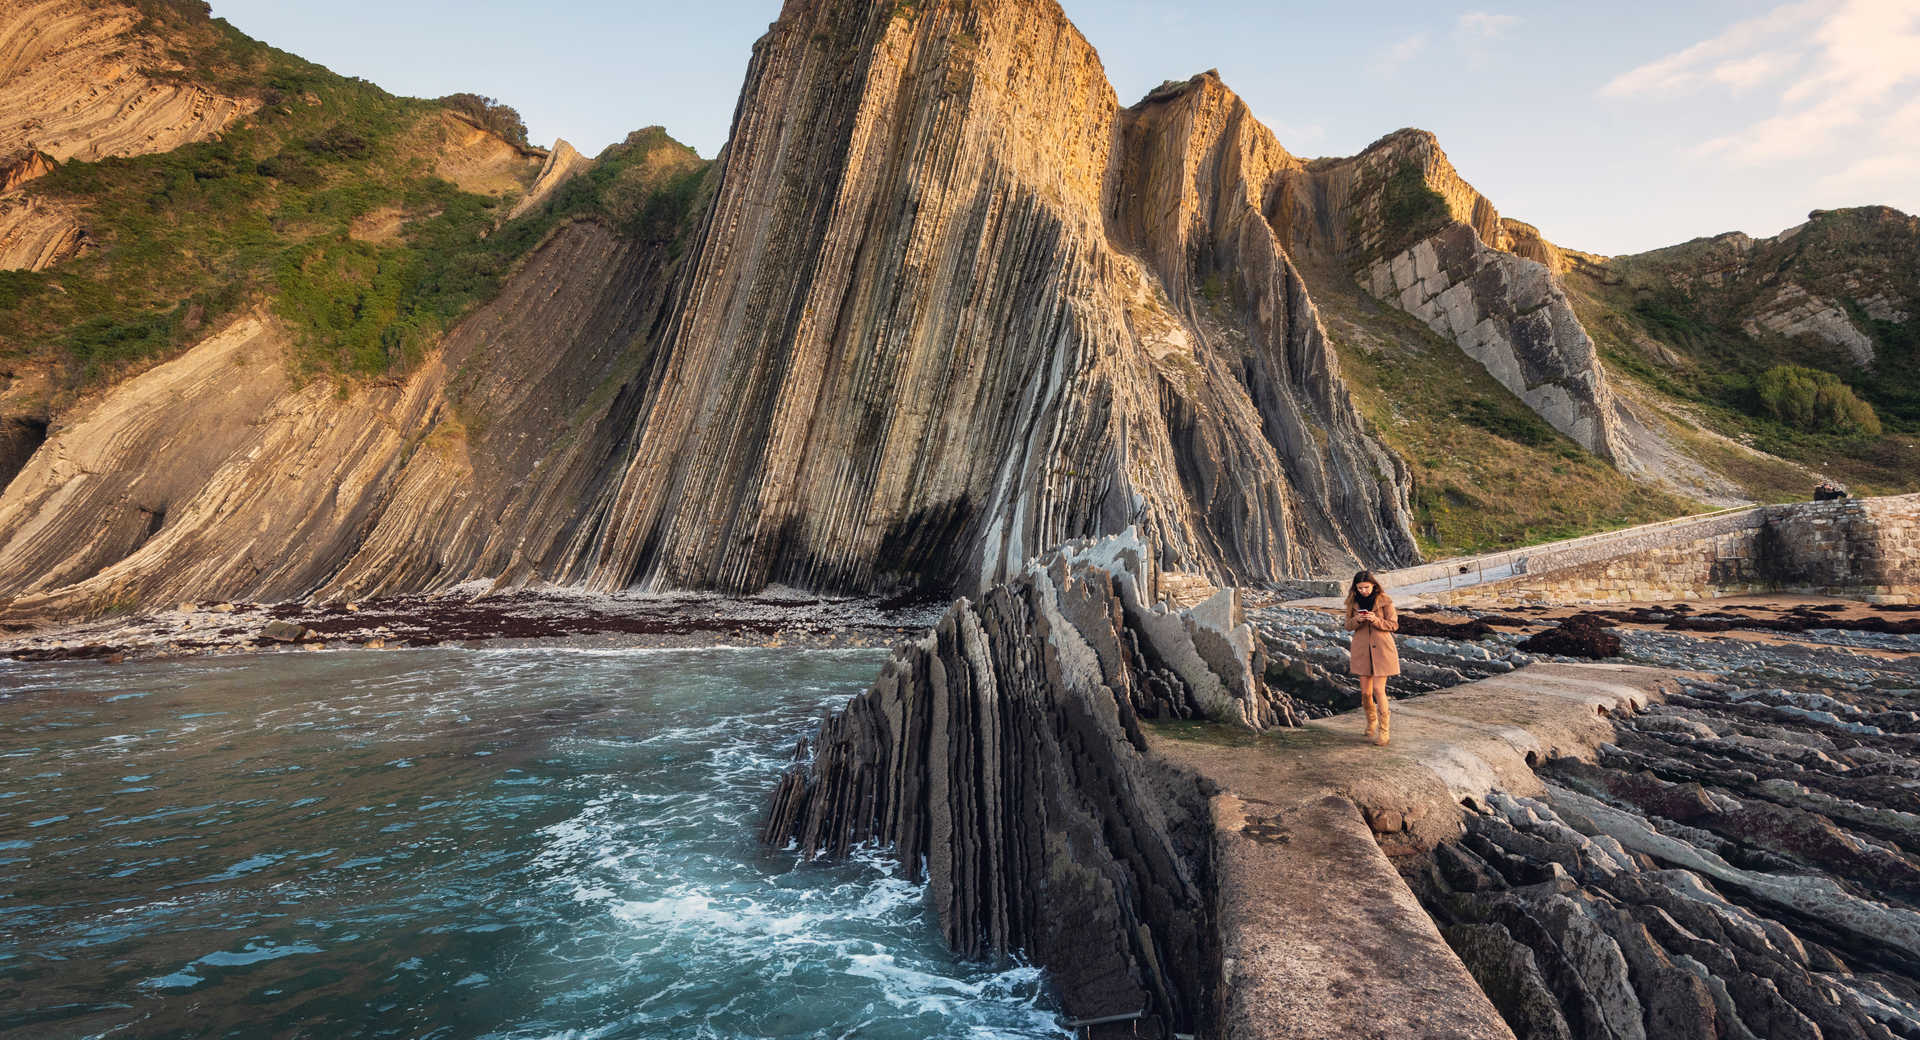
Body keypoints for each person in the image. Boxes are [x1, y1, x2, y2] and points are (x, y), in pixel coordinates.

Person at [1344, 570, 1399, 745]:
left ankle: (1384, 732)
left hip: (1382, 649)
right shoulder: (1352, 602)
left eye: (1366, 587)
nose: (1363, 591)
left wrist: (1375, 619)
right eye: (1360, 588)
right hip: (1361, 650)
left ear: (1373, 585)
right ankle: (1371, 721)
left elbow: (1394, 625)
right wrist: (1358, 619)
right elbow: (1347, 626)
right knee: (1365, 693)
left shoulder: (1385, 600)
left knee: (1378, 690)